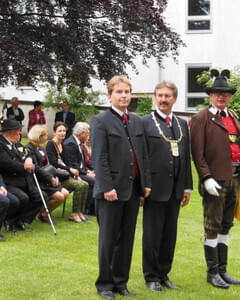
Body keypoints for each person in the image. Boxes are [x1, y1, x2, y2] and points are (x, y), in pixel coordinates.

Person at [91, 75, 151, 300]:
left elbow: (142, 155)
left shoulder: (136, 120)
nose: (124, 95)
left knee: (126, 239)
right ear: (110, 96)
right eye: (119, 92)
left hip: (132, 191)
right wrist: (107, 186)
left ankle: (120, 283)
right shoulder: (100, 121)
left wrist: (145, 185)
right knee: (108, 239)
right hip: (110, 192)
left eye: (127, 91)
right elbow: (99, 157)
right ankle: (105, 284)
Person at [190, 69, 240, 289]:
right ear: (210, 95)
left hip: (233, 180)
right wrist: (205, 177)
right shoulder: (200, 119)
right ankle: (212, 272)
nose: (221, 96)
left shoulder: (234, 117)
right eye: (217, 93)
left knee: (226, 225)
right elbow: (197, 153)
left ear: (230, 96)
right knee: (212, 226)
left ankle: (223, 270)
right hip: (215, 181)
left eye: (225, 93)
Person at [141, 81, 193, 292]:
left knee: (170, 235)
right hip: (154, 189)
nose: (163, 99)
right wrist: (143, 187)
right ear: (155, 97)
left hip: (175, 189)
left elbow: (186, 157)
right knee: (152, 235)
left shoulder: (182, 124)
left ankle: (164, 273)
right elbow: (141, 157)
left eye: (167, 96)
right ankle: (151, 276)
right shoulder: (144, 122)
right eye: (159, 95)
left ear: (174, 98)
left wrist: (187, 187)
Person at [0, 119, 45, 232]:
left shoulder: (16, 143)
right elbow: (6, 164)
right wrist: (24, 167)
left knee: (41, 196)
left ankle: (21, 220)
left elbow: (28, 152)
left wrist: (29, 159)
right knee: (23, 198)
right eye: (18, 131)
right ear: (10, 132)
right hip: (8, 181)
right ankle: (9, 221)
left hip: (22, 179)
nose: (20, 133)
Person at [46, 122, 90, 223]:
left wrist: (74, 174)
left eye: (64, 131)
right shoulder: (50, 145)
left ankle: (79, 212)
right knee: (80, 186)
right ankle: (74, 214)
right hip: (57, 177)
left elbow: (68, 163)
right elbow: (53, 163)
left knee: (85, 184)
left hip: (65, 175)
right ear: (54, 132)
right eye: (60, 131)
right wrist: (70, 169)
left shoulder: (63, 145)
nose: (62, 133)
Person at [26, 125, 69, 223]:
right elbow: (37, 169)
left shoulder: (41, 148)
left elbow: (49, 165)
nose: (46, 138)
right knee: (60, 196)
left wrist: (54, 177)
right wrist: (50, 178)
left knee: (65, 193)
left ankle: (43, 213)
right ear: (39, 136)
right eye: (45, 136)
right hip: (39, 180)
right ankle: (42, 213)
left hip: (48, 178)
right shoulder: (29, 149)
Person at [63, 122, 95, 215]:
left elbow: (81, 162)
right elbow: (72, 164)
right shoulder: (71, 143)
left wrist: (88, 171)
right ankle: (86, 209)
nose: (88, 136)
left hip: (80, 171)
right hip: (72, 173)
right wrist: (86, 173)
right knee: (93, 181)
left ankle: (93, 208)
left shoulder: (78, 143)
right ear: (81, 134)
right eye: (87, 133)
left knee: (97, 178)